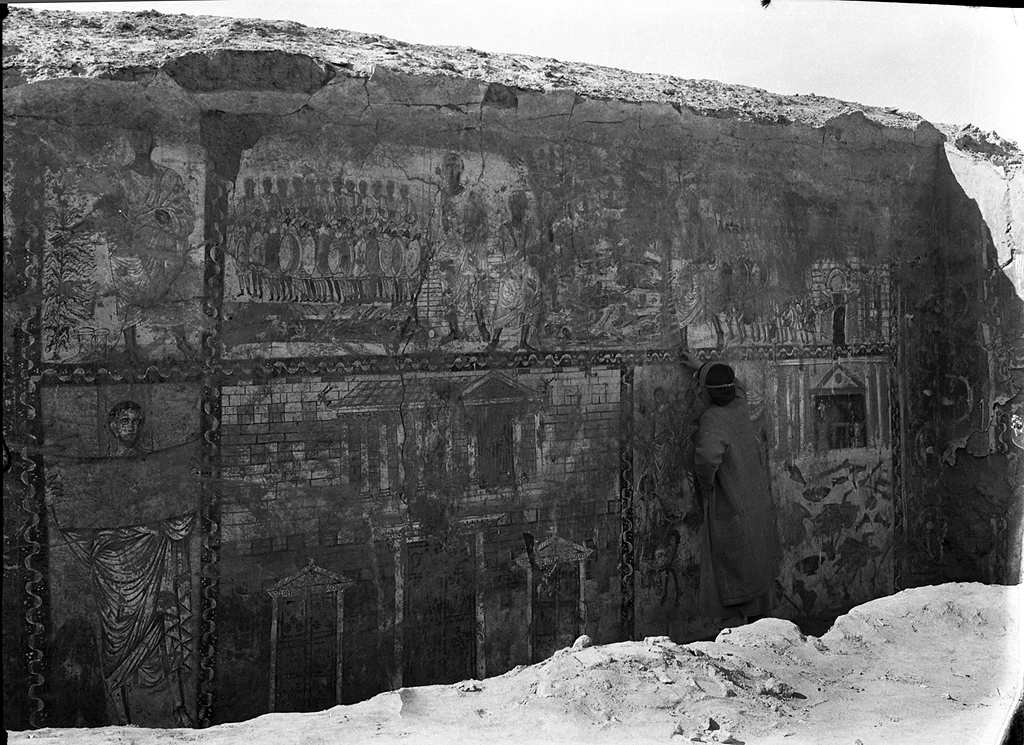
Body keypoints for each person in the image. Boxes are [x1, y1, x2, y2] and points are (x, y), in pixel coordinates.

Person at [680, 350, 781, 628]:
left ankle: (737, 646)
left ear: (708, 395)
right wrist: (702, 368)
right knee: (755, 570)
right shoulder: (738, 405)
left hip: (730, 503)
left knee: (732, 578)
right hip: (753, 502)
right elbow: (736, 385)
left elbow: (707, 460)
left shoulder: (713, 419)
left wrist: (706, 488)